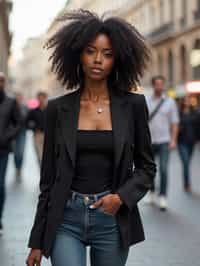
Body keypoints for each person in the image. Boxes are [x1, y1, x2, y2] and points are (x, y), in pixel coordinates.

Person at [26, 10, 156, 266]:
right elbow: (48, 180)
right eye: (90, 51)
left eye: (107, 54)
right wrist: (37, 240)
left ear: (117, 59)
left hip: (111, 218)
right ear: (78, 55)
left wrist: (120, 198)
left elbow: (147, 167)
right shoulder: (58, 109)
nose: (98, 60)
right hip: (65, 219)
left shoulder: (133, 106)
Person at [145, 75, 179, 211]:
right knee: (150, 170)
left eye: (161, 84)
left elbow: (175, 123)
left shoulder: (170, 102)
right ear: (153, 85)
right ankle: (152, 192)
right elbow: (141, 122)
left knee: (164, 169)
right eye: (157, 84)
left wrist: (174, 140)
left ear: (163, 85)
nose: (159, 86)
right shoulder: (146, 101)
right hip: (149, 142)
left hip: (165, 141)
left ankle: (163, 196)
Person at [0, 72, 21, 234]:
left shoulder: (10, 102)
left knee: (0, 184)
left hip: (3, 150)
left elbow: (19, 123)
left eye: (1, 81)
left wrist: (6, 137)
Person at [177, 96, 197, 192]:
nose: (187, 102)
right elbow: (174, 126)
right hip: (181, 142)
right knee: (185, 163)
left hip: (192, 142)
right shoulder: (178, 114)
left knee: (187, 163)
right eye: (185, 101)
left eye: (189, 100)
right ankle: (187, 184)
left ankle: (187, 183)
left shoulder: (195, 112)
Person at [26, 92, 48, 166]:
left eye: (43, 98)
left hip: (49, 135)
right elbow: (26, 122)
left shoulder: (50, 110)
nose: (41, 100)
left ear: (45, 98)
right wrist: (33, 128)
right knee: (39, 155)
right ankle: (42, 172)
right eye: (39, 98)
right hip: (37, 135)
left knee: (48, 155)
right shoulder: (33, 111)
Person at [13, 92, 28, 180]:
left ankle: (19, 169)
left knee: (21, 153)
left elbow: (28, 118)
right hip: (13, 135)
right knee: (15, 153)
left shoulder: (25, 108)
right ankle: (16, 168)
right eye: (17, 98)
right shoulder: (12, 107)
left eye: (20, 97)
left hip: (22, 133)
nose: (18, 99)